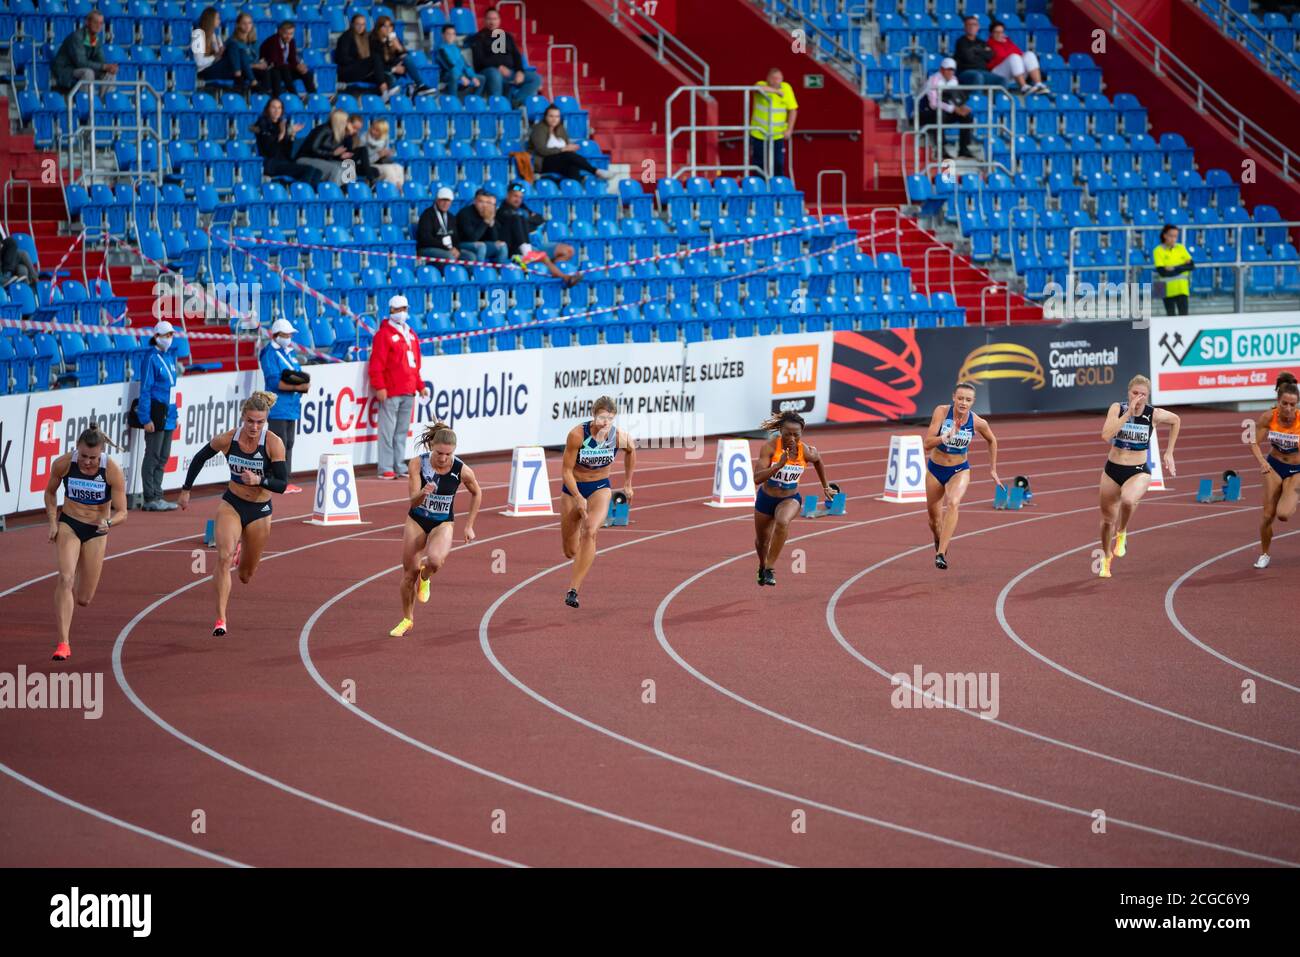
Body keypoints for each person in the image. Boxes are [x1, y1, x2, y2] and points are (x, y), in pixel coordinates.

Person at [178, 392, 289, 637]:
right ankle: (220, 618)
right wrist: (186, 490)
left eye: (260, 422)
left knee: (246, 575)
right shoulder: (228, 439)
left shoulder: (273, 443)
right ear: (242, 417)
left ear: (266, 421)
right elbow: (199, 458)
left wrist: (259, 479)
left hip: (259, 510)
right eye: (250, 421)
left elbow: (282, 484)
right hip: (232, 503)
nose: (254, 427)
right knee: (223, 557)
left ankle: (242, 555)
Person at [390, 422, 482, 638]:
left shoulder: (462, 470)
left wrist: (469, 525)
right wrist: (424, 492)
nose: (443, 458)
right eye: (439, 453)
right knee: (408, 574)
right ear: (431, 446)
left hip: (443, 522)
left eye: (448, 454)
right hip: (417, 519)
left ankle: (426, 576)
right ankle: (407, 619)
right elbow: (413, 502)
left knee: (435, 560)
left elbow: (477, 493)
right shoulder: (417, 465)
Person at [44, 424, 127, 662]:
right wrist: (52, 522)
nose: (87, 462)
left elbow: (123, 511)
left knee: (84, 598)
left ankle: (81, 563)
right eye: (83, 456)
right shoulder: (63, 464)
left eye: (93, 457)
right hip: (70, 523)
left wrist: (110, 522)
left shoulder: (111, 470)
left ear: (100, 453)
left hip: (97, 530)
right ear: (76, 449)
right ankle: (63, 643)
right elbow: (50, 493)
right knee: (65, 577)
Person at [1097, 375, 1181, 578]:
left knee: (1128, 499)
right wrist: (1127, 415)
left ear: (1148, 396)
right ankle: (1106, 558)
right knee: (1107, 521)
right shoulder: (1117, 409)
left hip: (1138, 470)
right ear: (1128, 393)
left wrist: (1169, 452)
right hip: (1112, 470)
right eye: (1135, 393)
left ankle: (1123, 532)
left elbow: (1176, 420)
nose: (1139, 397)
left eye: (1143, 394)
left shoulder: (1154, 414)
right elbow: (1106, 435)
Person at [560, 396, 636, 608]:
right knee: (570, 551)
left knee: (591, 530)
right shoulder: (577, 435)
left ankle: (573, 590)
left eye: (610, 419)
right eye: (602, 418)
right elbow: (566, 471)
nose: (605, 423)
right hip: (573, 489)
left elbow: (632, 450)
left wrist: (628, 483)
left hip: (600, 488)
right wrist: (577, 497)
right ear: (594, 416)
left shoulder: (618, 437)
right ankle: (576, 556)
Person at [923, 382, 1001, 570]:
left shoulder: (978, 422)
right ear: (953, 398)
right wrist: (945, 437)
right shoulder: (941, 412)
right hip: (935, 469)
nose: (963, 403)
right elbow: (927, 444)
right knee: (934, 521)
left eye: (967, 400)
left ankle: (941, 553)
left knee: (953, 502)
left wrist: (993, 469)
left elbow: (992, 440)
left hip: (959, 470)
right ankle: (938, 539)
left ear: (973, 402)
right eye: (960, 398)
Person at [751, 410, 831, 586]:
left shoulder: (805, 450)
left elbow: (818, 460)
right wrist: (778, 466)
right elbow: (756, 479)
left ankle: (770, 569)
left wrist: (825, 487)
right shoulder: (770, 448)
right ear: (780, 431)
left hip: (789, 499)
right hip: (766, 498)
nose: (792, 438)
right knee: (762, 542)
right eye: (788, 434)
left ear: (802, 432)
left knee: (783, 521)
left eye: (796, 434)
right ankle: (762, 567)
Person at [369, 295, 430, 481]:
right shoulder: (383, 335)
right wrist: (379, 386)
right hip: (391, 389)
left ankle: (399, 464)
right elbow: (377, 364)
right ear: (391, 311)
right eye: (399, 309)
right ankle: (386, 467)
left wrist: (420, 386)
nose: (402, 312)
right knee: (387, 431)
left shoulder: (410, 333)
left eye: (405, 308)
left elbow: (415, 365)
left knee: (402, 431)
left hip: (408, 389)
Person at [1248, 376, 1300, 569]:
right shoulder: (1269, 417)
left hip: (1297, 470)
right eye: (1284, 403)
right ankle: (1264, 553)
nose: (1288, 408)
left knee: (1284, 514)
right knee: (1268, 515)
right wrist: (1262, 461)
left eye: (1292, 404)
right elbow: (1254, 442)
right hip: (1274, 465)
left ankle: (1291, 495)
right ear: (1278, 402)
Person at [259, 318, 308, 493]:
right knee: (279, 444)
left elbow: (299, 375)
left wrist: (301, 384)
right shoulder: (269, 354)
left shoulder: (289, 353)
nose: (289, 338)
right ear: (277, 335)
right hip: (278, 407)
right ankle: (276, 479)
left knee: (289, 443)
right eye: (286, 335)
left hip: (292, 407)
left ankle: (285, 479)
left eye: (290, 335)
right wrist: (298, 386)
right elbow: (274, 381)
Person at [136, 320, 180, 512]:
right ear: (156, 337)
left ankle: (158, 494)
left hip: (168, 413)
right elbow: (145, 389)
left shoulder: (169, 357)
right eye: (166, 335)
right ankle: (150, 497)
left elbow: (171, 390)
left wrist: (175, 414)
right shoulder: (150, 358)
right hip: (155, 412)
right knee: (152, 455)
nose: (169, 339)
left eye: (171, 335)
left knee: (163, 456)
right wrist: (145, 418)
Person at [499, 181, 580, 283]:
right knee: (543, 256)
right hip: (518, 248)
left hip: (534, 244)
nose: (518, 199)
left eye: (520, 197)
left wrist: (525, 221)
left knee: (568, 250)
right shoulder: (502, 211)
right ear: (508, 195)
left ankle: (552, 270)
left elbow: (540, 219)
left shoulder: (523, 208)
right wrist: (526, 220)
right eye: (515, 196)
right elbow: (520, 224)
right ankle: (565, 277)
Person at [467, 6, 541, 107]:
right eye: (489, 19)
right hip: (489, 71)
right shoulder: (479, 37)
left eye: (495, 19)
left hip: (510, 72)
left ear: (499, 21)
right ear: (484, 20)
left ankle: (514, 103)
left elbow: (516, 55)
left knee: (535, 78)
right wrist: (499, 66)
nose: (492, 21)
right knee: (495, 74)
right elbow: (479, 60)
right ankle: (498, 106)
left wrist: (520, 71)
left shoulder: (507, 36)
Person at [528, 105, 613, 182]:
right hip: (544, 162)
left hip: (561, 161)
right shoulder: (538, 129)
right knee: (568, 155)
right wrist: (562, 149)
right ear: (545, 117)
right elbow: (542, 150)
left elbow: (567, 146)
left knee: (572, 167)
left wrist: (570, 148)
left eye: (557, 116)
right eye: (551, 116)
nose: (554, 119)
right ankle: (596, 171)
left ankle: (577, 189)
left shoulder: (561, 129)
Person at [251, 98, 321, 186]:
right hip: (271, 164)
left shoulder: (282, 124)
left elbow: (287, 153)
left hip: (284, 162)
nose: (277, 111)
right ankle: (299, 192)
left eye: (279, 108)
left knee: (317, 171)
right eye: (274, 107)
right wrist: (282, 133)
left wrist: (291, 136)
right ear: (268, 109)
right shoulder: (262, 124)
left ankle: (309, 194)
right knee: (309, 170)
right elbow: (271, 151)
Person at [919, 58, 975, 160]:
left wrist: (961, 107)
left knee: (967, 116)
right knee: (939, 116)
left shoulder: (954, 80)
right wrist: (953, 109)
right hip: (926, 112)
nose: (950, 72)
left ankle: (964, 148)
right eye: (947, 69)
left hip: (945, 110)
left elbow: (954, 98)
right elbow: (933, 104)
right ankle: (941, 150)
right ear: (941, 69)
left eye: (952, 70)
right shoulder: (933, 80)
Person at [749, 67, 798, 179]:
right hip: (759, 133)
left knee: (778, 163)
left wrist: (789, 129)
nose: (776, 81)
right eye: (774, 78)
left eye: (779, 78)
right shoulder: (761, 84)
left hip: (777, 134)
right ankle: (760, 188)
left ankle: (778, 187)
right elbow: (757, 88)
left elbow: (793, 110)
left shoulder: (786, 88)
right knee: (758, 163)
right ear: (768, 79)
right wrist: (776, 92)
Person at [52, 10, 118, 92]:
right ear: (87, 22)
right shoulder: (77, 37)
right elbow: (81, 62)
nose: (98, 26)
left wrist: (109, 68)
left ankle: (104, 103)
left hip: (80, 68)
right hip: (66, 70)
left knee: (109, 73)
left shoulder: (96, 39)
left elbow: (101, 60)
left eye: (101, 23)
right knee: (88, 73)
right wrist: (104, 66)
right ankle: (86, 102)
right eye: (95, 22)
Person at [371, 15, 429, 99]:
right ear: (379, 28)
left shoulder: (393, 39)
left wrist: (398, 47)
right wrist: (394, 69)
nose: (388, 29)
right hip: (380, 72)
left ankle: (420, 85)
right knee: (392, 78)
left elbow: (404, 55)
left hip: (393, 68)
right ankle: (396, 99)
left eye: (390, 26)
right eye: (384, 26)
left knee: (407, 58)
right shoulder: (374, 42)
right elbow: (376, 64)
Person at [953, 16, 1014, 91]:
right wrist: (982, 51)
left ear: (978, 27)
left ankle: (996, 101)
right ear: (964, 27)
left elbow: (990, 55)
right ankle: (977, 99)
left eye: (974, 24)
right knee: (978, 76)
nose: (972, 27)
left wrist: (975, 51)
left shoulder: (981, 42)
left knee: (1002, 80)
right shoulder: (961, 42)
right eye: (969, 24)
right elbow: (968, 58)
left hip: (983, 71)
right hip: (966, 72)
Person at [258, 20, 316, 97]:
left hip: (283, 68)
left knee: (306, 73)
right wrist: (294, 66)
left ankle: (314, 96)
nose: (288, 36)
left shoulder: (291, 41)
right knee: (284, 70)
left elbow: (292, 59)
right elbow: (276, 61)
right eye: (286, 33)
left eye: (291, 34)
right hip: (271, 69)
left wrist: (298, 66)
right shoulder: (273, 41)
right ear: (279, 31)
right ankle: (295, 97)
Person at [987, 21, 1047, 94]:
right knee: (1014, 57)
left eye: (1001, 32)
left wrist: (1005, 44)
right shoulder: (989, 44)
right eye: (996, 32)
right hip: (998, 74)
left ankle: (1039, 84)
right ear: (991, 33)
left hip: (1015, 74)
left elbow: (1020, 53)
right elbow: (1002, 56)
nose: (999, 34)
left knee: (1029, 54)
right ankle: (1024, 87)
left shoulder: (1007, 41)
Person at [298, 109, 352, 185]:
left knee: (349, 167)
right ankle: (331, 194)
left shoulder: (338, 132)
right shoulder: (323, 129)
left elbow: (333, 153)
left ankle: (346, 193)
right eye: (346, 120)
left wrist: (339, 156)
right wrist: (333, 153)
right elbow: (313, 149)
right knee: (335, 170)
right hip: (306, 158)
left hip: (322, 159)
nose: (347, 123)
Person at [454, 189, 509, 264]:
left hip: (481, 245)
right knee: (481, 246)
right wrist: (485, 221)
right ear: (475, 201)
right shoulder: (465, 213)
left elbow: (494, 239)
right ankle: (480, 272)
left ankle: (499, 273)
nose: (484, 205)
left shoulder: (486, 213)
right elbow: (472, 238)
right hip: (462, 244)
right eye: (481, 201)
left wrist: (491, 221)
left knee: (502, 245)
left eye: (486, 202)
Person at [1153, 223, 1194, 317]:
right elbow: (1162, 272)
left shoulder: (1181, 248)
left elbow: (1191, 266)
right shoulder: (1158, 250)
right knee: (1170, 317)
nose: (1173, 239)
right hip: (1165, 289)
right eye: (1171, 236)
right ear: (1165, 235)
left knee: (1184, 317)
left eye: (1175, 236)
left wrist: (1174, 268)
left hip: (1182, 288)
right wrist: (1182, 266)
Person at [416, 187, 462, 260]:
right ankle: (448, 271)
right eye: (443, 200)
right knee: (449, 256)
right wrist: (447, 248)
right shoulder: (427, 215)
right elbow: (426, 239)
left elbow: (456, 238)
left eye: (448, 201)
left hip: (447, 248)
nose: (446, 203)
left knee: (470, 256)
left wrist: (457, 249)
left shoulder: (451, 217)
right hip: (428, 248)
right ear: (437, 200)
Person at [436, 24, 481, 96]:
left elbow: (465, 65)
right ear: (443, 35)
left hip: (459, 73)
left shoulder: (456, 48)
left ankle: (473, 101)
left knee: (481, 78)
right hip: (447, 75)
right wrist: (461, 77)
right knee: (454, 75)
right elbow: (450, 66)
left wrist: (473, 77)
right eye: (448, 34)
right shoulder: (441, 49)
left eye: (453, 34)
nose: (451, 36)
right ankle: (453, 100)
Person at [227, 12, 267, 93]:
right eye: (244, 23)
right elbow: (239, 63)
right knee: (242, 52)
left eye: (249, 23)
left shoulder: (255, 42)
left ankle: (265, 97)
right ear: (238, 25)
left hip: (251, 69)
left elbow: (256, 58)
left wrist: (262, 63)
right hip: (239, 71)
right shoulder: (233, 42)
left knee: (270, 72)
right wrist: (255, 65)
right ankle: (254, 84)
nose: (247, 25)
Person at [335, 13, 379, 88]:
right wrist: (360, 62)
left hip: (360, 71)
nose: (360, 27)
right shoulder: (346, 37)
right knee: (375, 58)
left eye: (363, 24)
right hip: (347, 72)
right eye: (358, 24)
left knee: (386, 77)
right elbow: (342, 58)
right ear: (352, 24)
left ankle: (388, 96)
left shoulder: (366, 37)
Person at [364, 119, 405, 186]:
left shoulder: (384, 140)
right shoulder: (364, 139)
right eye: (373, 128)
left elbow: (384, 157)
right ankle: (393, 191)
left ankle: (399, 189)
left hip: (381, 163)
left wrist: (388, 154)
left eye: (377, 131)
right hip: (369, 165)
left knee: (398, 167)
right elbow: (364, 161)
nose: (373, 132)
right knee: (388, 170)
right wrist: (378, 155)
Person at [344, 113, 381, 186]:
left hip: (352, 163)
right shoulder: (343, 135)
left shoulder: (355, 137)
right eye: (354, 128)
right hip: (342, 162)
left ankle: (370, 188)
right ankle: (371, 180)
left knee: (375, 171)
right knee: (363, 149)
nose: (356, 131)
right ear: (348, 124)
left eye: (358, 129)